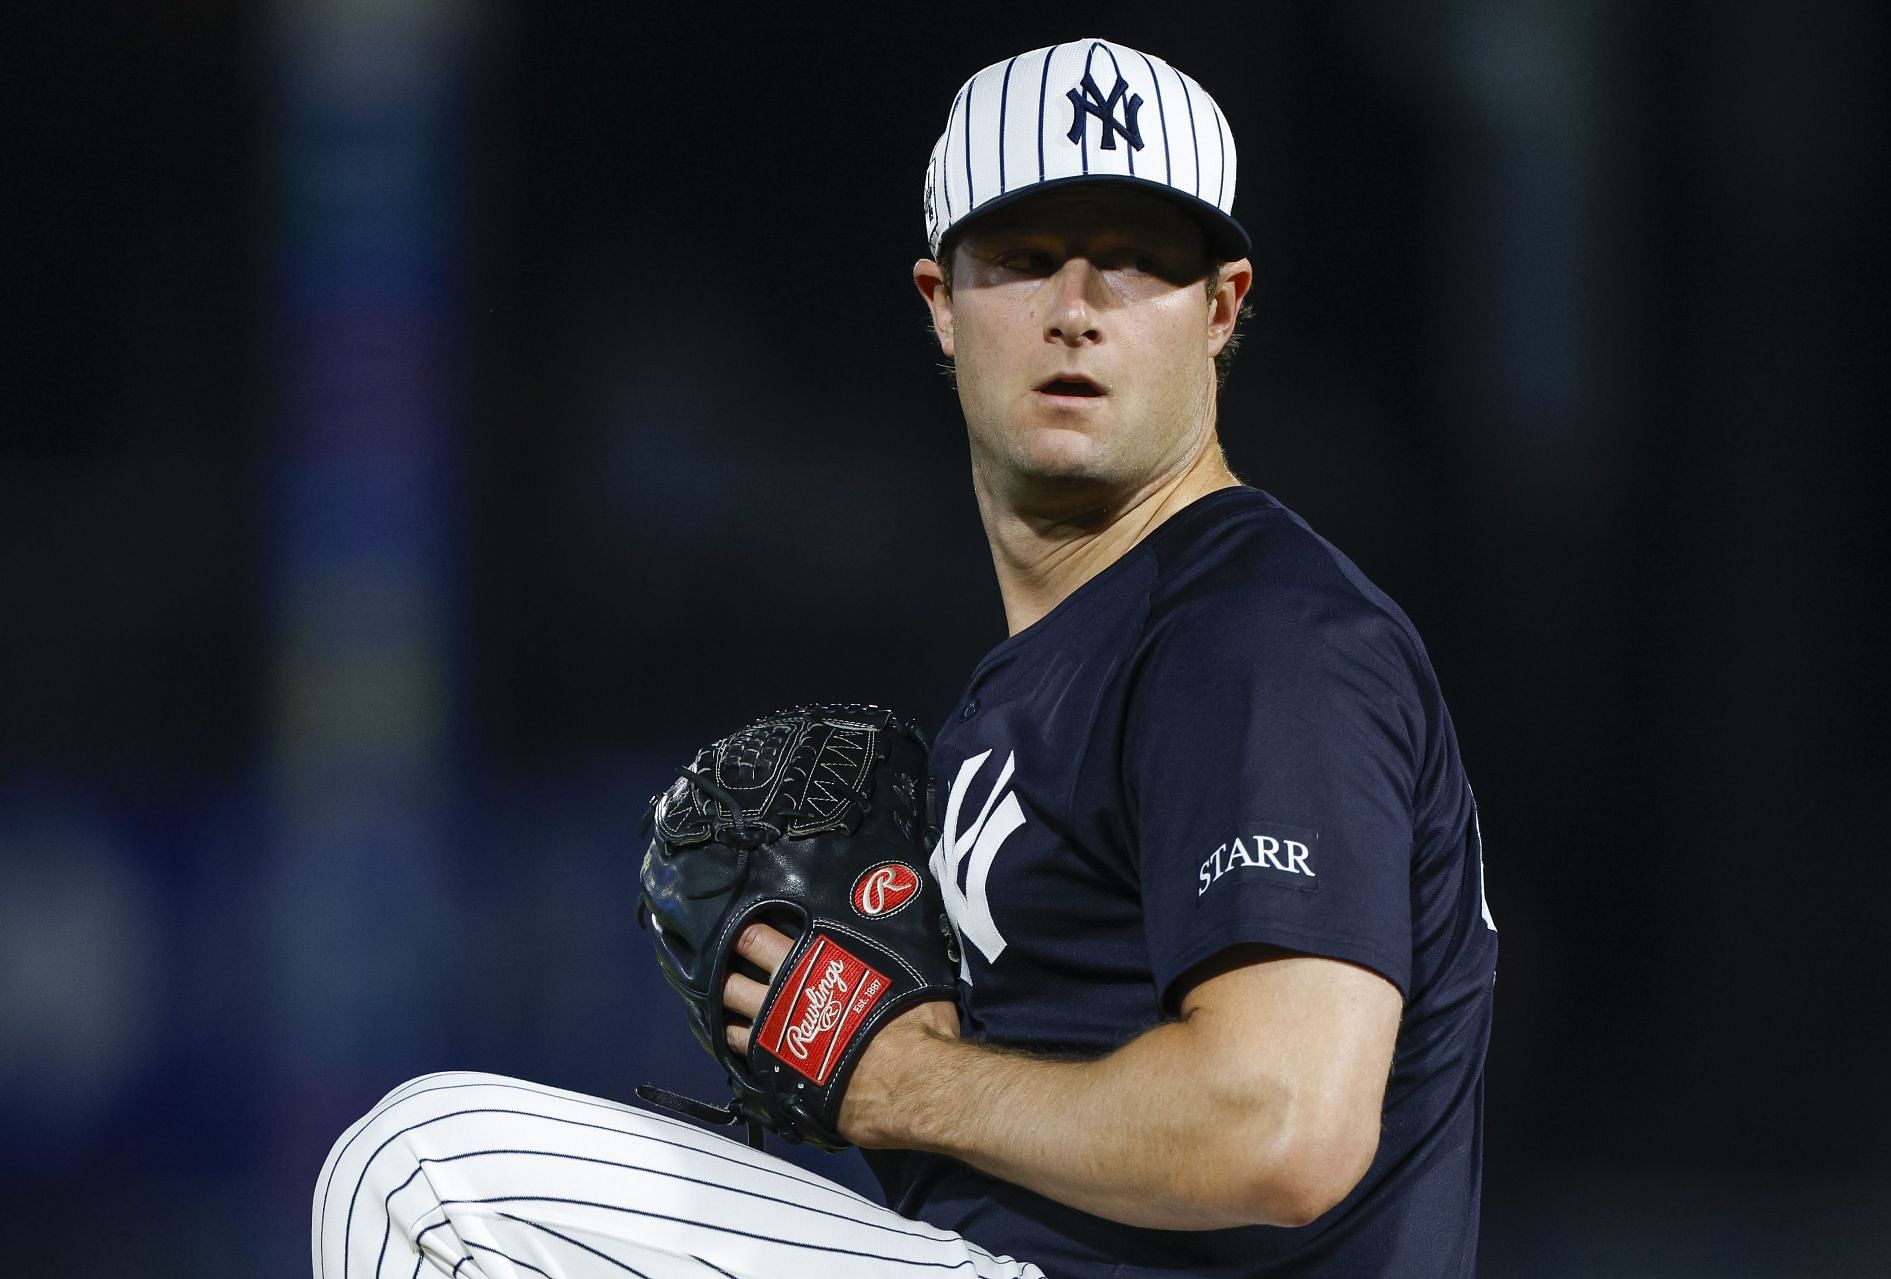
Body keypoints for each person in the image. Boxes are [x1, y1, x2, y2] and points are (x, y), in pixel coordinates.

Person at [312, 36, 1496, 1279]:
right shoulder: (1021, 689)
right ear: (941, 303)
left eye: (1137, 263)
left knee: (427, 1179)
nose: (1078, 307)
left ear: (1221, 309)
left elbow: (1283, 1126)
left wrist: (904, 1080)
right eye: (1027, 261)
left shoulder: (1260, 634)